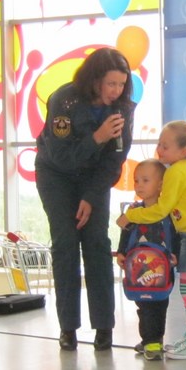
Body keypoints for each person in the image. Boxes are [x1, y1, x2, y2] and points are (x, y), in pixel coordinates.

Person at [36, 47, 134, 352]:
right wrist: (97, 137)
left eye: (121, 84)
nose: (116, 91)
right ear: (94, 80)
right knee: (66, 242)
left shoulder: (123, 109)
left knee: (97, 243)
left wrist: (91, 197)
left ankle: (104, 326)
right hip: (57, 176)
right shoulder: (63, 100)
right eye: (111, 84)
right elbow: (62, 157)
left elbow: (115, 161)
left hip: (95, 178)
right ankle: (68, 327)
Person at [116, 121, 186, 360]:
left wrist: (130, 216)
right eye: (159, 144)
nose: (159, 150)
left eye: (165, 146)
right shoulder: (182, 168)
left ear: (183, 151)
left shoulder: (176, 172)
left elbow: (161, 210)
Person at [115, 159, 179, 361]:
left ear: (161, 185)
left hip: (162, 269)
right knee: (142, 304)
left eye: (145, 180)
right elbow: (126, 232)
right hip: (137, 269)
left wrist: (177, 255)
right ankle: (148, 339)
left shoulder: (168, 211)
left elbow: (177, 234)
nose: (139, 185)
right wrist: (121, 252)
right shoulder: (134, 210)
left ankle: (153, 341)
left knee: (158, 303)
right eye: (136, 180)